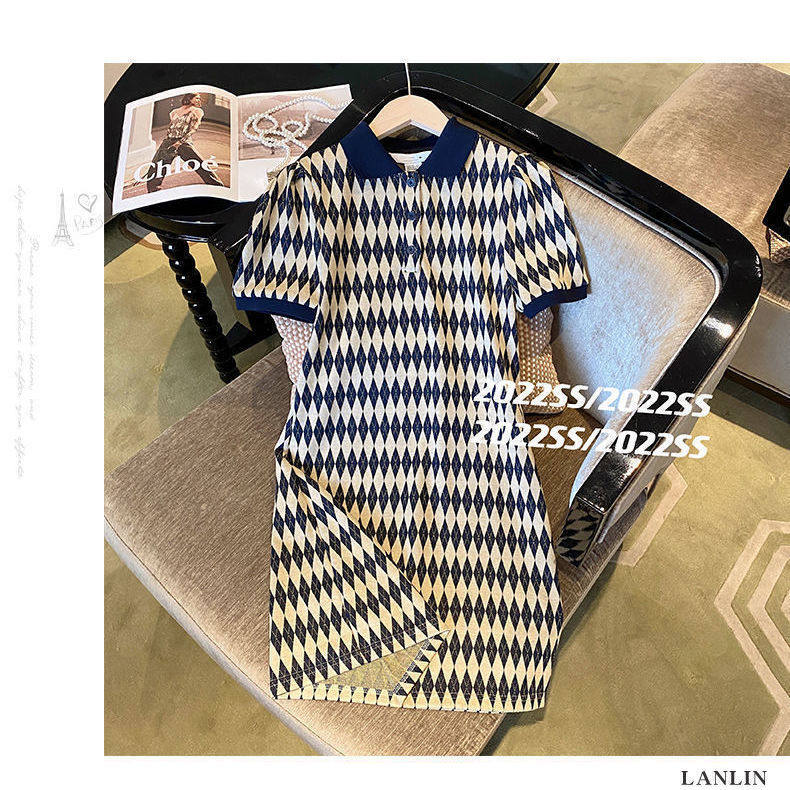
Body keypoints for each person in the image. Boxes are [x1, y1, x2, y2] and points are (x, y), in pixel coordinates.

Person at [146, 93, 224, 192]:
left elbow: (193, 129)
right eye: (197, 98)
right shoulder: (174, 112)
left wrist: (179, 142)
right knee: (156, 166)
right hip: (169, 141)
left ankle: (218, 187)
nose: (199, 100)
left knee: (200, 164)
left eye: (199, 99)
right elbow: (171, 128)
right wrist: (166, 143)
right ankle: (153, 190)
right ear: (189, 98)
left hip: (183, 143)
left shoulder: (197, 111)